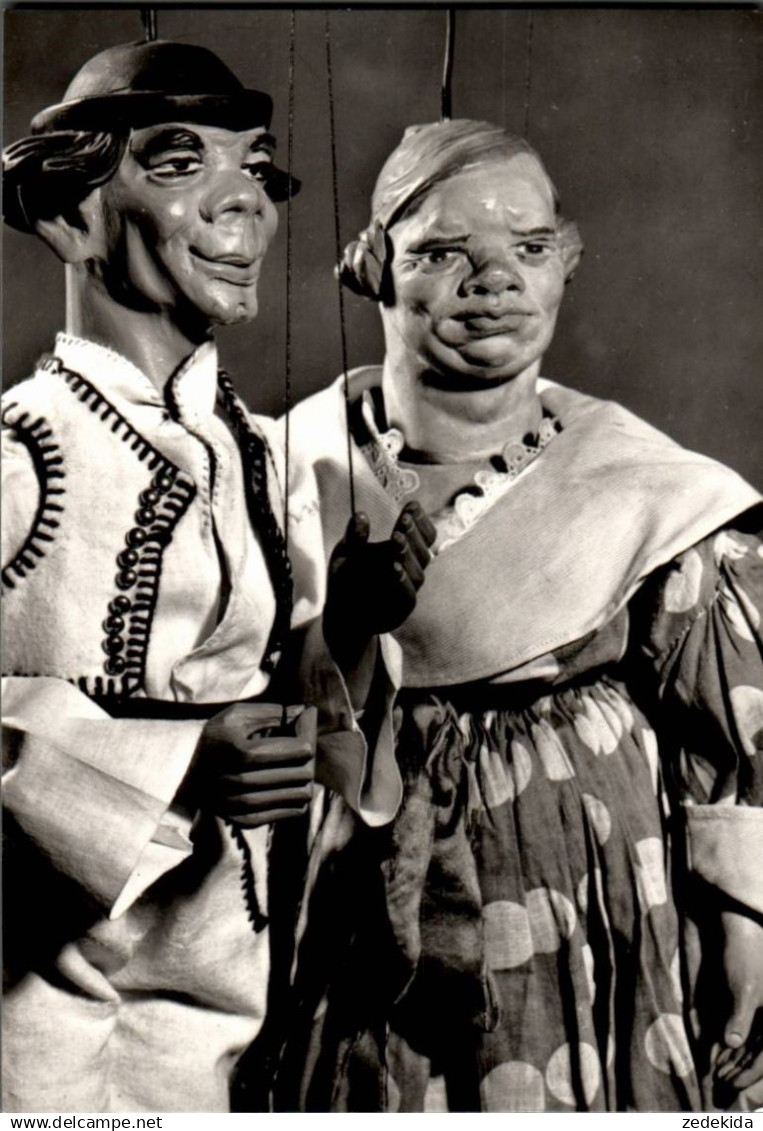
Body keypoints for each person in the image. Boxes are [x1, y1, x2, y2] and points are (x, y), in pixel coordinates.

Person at [278, 120, 763, 1112]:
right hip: (354, 916)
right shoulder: (281, 467)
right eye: (444, 253)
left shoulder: (647, 488)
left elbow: (737, 738)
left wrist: (747, 930)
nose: (494, 280)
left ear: (565, 262)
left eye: (529, 247)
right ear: (372, 267)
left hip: (591, 928)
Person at [1, 41, 433, 1113]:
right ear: (71, 216)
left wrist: (349, 624)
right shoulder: (23, 453)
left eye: (258, 168)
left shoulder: (271, 457)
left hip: (222, 990)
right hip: (34, 1000)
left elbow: (302, 721)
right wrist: (177, 763)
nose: (244, 202)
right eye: (180, 162)